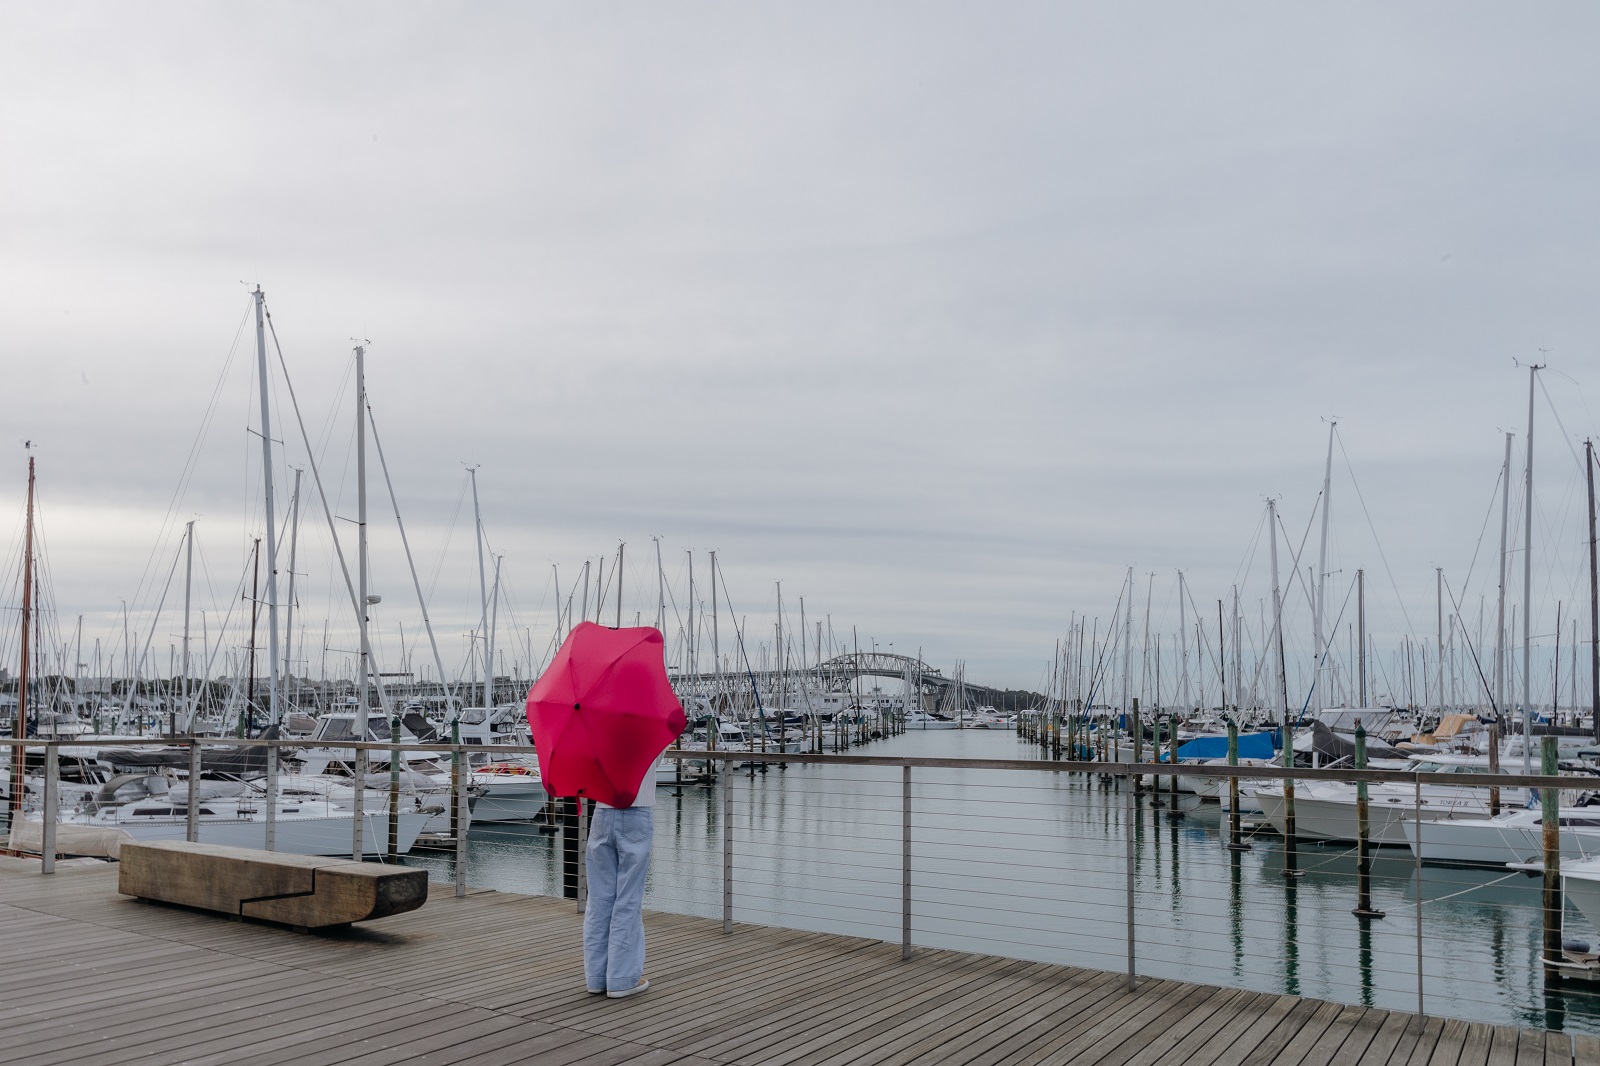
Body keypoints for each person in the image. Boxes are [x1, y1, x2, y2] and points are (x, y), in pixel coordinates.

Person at [583, 757, 657, 998]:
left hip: (602, 812)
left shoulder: (596, 727)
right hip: (637, 810)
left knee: (599, 899)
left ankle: (596, 977)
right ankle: (621, 979)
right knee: (628, 899)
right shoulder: (649, 725)